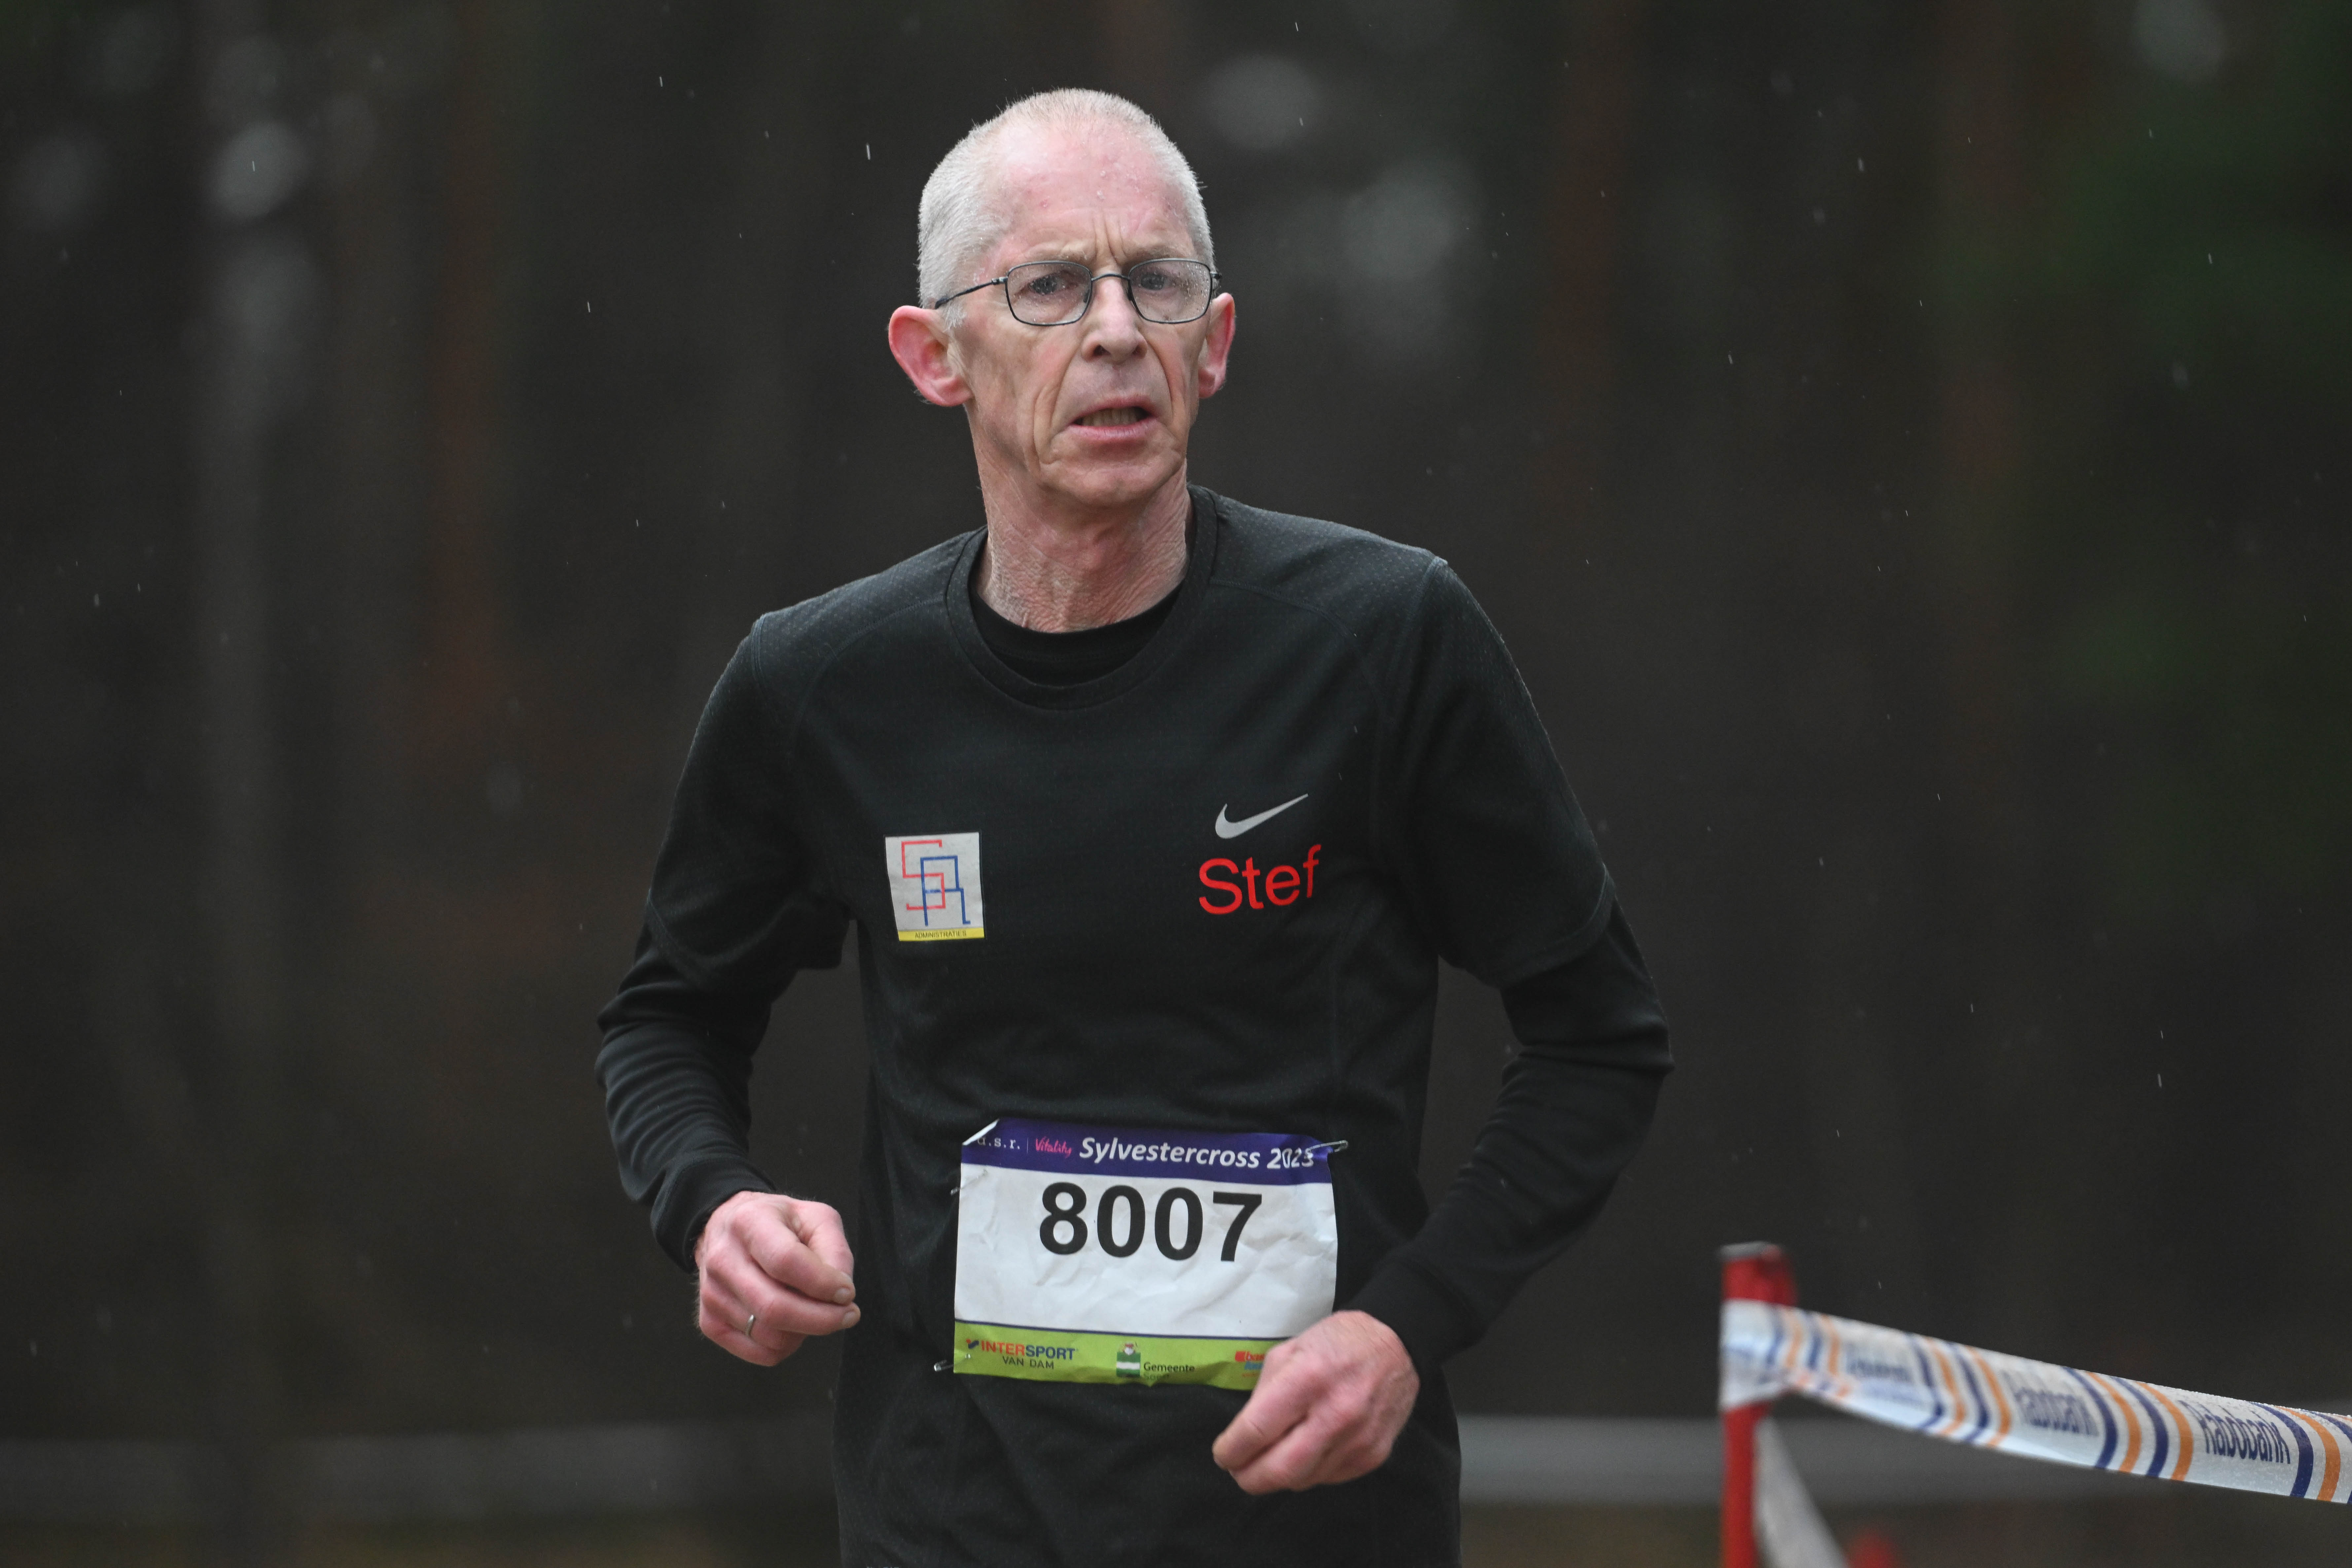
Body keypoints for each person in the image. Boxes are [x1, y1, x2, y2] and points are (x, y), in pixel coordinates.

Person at [597, 88, 1670, 1568]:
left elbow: (1598, 1036)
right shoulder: (822, 686)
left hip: (1310, 1534)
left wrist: (1404, 1325)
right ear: (933, 355)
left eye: (1154, 282)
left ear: (1212, 343)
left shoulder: (1382, 640)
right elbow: (666, 1016)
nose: (1114, 331)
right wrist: (712, 1205)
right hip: (948, 1527)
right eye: (1048, 286)